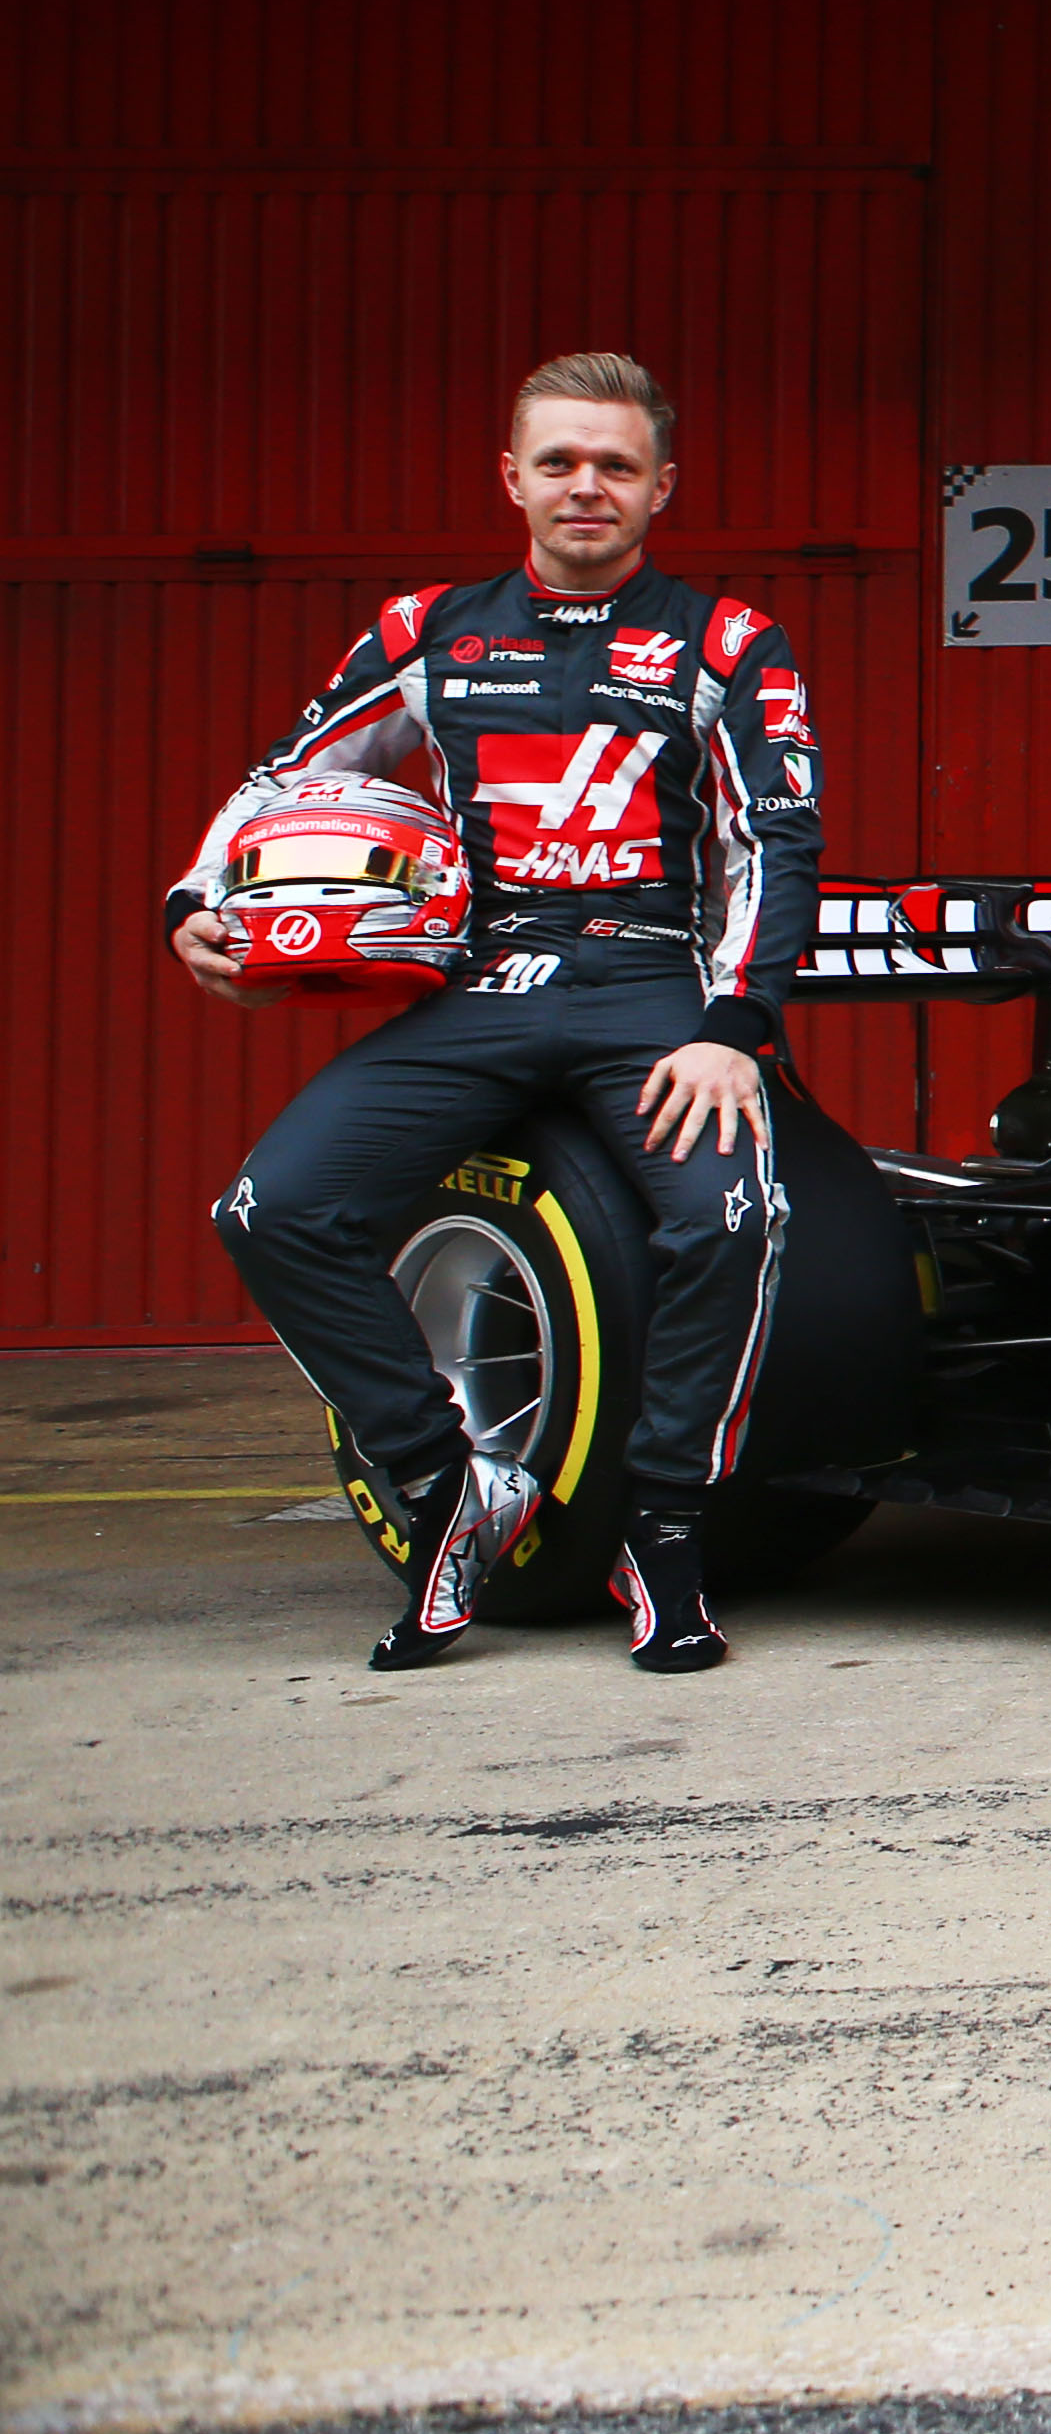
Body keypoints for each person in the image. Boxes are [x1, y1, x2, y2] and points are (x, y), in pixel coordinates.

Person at [165, 353, 827, 1672]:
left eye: (618, 466)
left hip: (654, 987)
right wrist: (199, 899)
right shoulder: (427, 630)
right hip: (484, 982)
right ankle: (452, 1484)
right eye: (563, 462)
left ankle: (665, 1531)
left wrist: (735, 1023)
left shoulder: (728, 640)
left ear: (662, 489)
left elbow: (777, 838)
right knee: (271, 1209)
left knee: (738, 1216)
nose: (590, 486)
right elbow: (289, 778)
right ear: (513, 478)